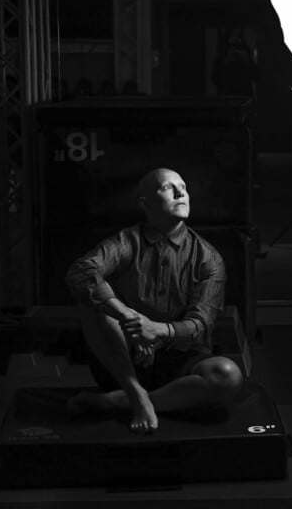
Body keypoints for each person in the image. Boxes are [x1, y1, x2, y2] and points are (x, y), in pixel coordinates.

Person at [64, 168, 244, 434]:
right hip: (125, 361)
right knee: (90, 299)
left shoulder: (208, 257)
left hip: (182, 366)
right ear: (145, 203)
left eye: (183, 186)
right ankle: (134, 391)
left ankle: (120, 402)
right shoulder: (126, 241)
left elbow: (201, 323)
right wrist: (129, 318)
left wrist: (158, 331)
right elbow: (80, 272)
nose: (181, 192)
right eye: (167, 187)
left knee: (228, 375)